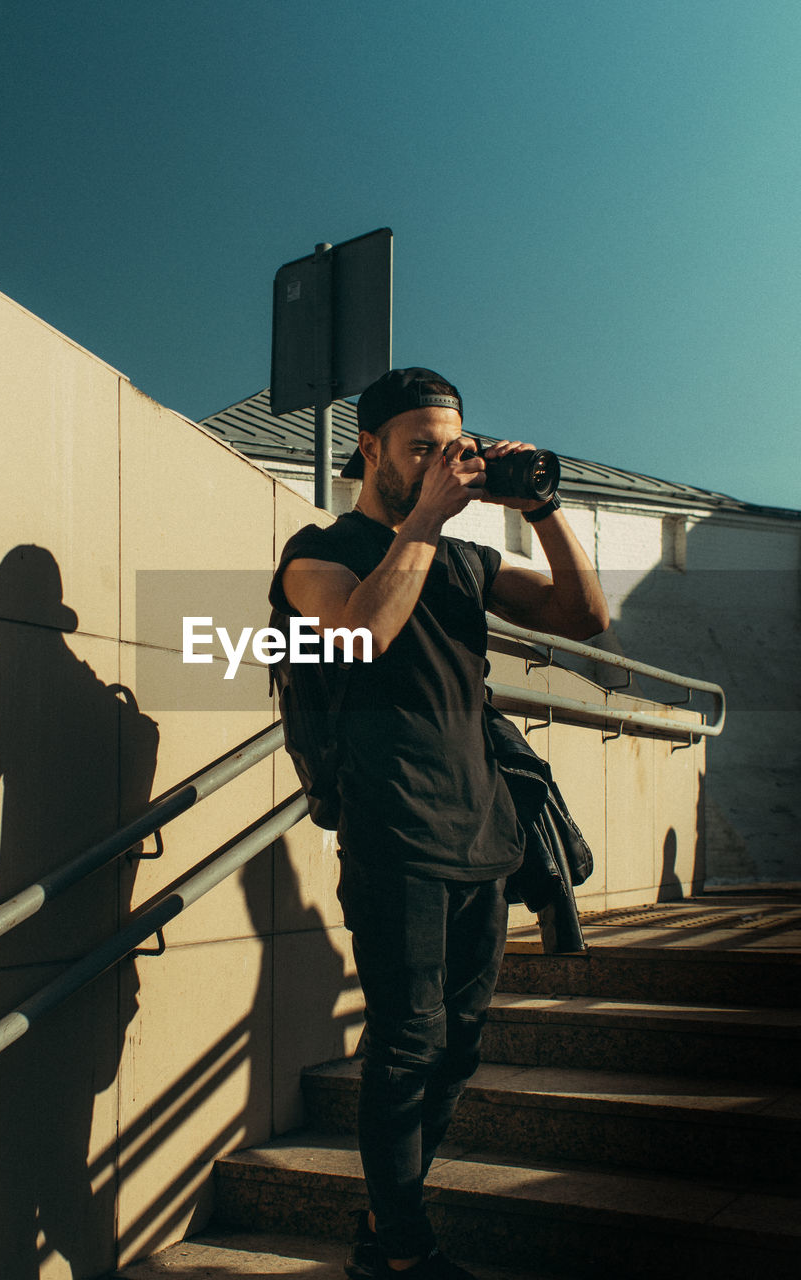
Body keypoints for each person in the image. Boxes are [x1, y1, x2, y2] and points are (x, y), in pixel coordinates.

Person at [268, 368, 608, 1279]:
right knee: (405, 1043)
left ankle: (389, 1228)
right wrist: (423, 519)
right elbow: (360, 631)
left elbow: (588, 616)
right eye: (419, 447)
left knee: (457, 1049)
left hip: (483, 835)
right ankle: (402, 1244)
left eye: (450, 448)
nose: (437, 465)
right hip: (394, 837)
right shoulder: (318, 551)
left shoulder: (465, 561)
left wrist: (539, 505)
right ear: (369, 447)